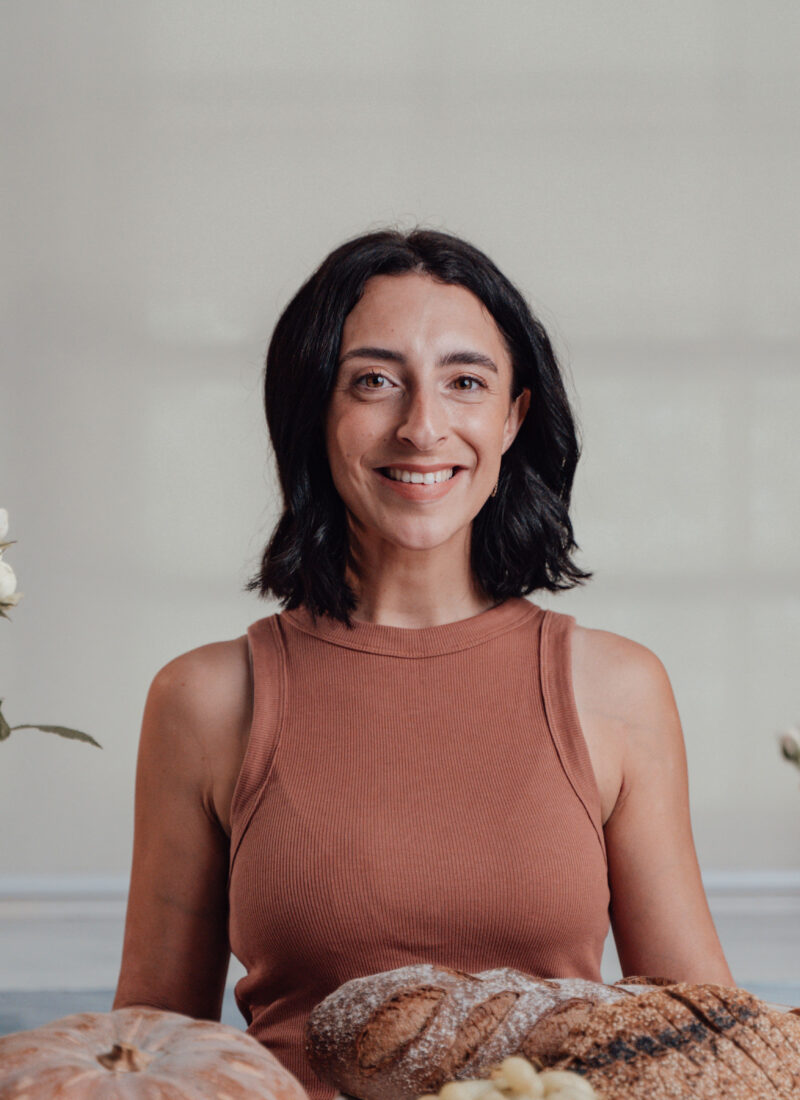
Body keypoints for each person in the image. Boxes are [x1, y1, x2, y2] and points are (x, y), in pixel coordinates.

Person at [113, 227, 733, 1096]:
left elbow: (708, 1030)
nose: (422, 427)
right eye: (374, 382)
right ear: (313, 413)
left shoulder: (617, 689)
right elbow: (145, 1052)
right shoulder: (207, 699)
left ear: (513, 416)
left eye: (465, 382)